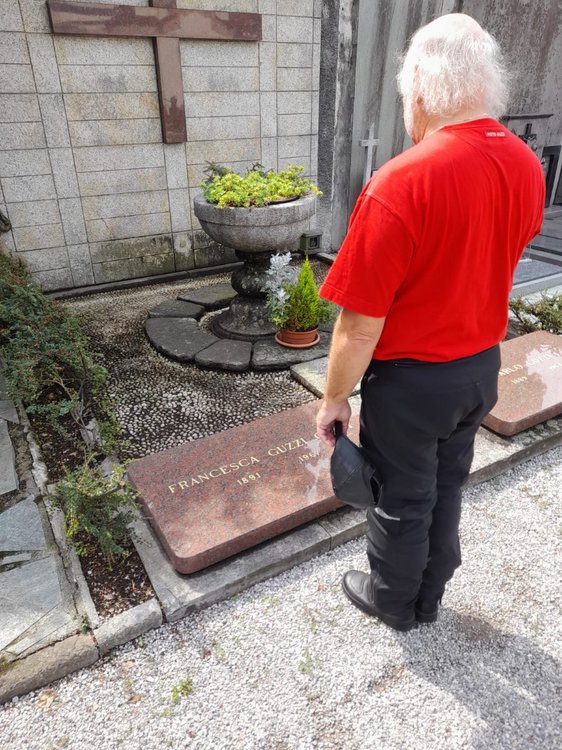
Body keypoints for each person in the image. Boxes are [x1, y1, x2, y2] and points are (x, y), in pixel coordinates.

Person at [316, 13, 545, 632]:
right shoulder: (526, 165)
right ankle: (430, 595)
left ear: (418, 87)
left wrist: (334, 399)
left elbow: (359, 327)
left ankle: (394, 601)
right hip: (480, 370)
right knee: (446, 486)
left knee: (402, 495)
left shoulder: (401, 182)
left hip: (411, 382)